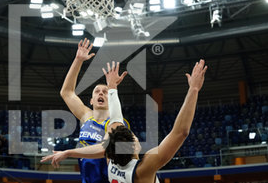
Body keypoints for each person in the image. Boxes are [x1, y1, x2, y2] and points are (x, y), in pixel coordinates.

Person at [43, 60, 208, 183]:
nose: (135, 138)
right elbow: (180, 132)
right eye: (133, 137)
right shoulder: (143, 169)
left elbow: (112, 129)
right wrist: (194, 89)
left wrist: (113, 87)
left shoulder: (110, 161)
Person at [60, 39, 128, 183]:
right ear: (91, 101)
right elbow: (66, 92)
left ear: (110, 98)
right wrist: (78, 60)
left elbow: (103, 148)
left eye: (105, 91)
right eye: (97, 91)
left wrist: (112, 88)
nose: (101, 93)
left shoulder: (117, 123)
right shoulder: (86, 116)